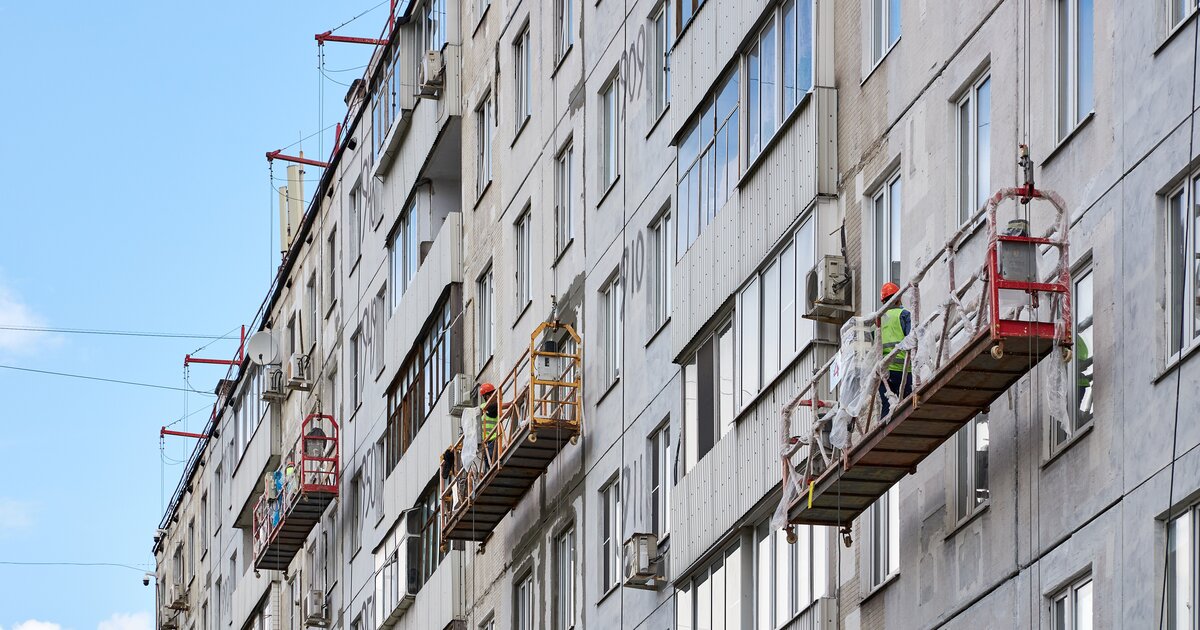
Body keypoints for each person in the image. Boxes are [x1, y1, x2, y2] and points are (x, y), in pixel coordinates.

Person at [878, 282, 913, 417]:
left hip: (884, 371)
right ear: (898, 298)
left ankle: (884, 435)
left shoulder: (878, 319)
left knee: (887, 406)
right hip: (903, 369)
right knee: (907, 407)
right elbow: (912, 339)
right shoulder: (904, 314)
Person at [479, 382, 500, 467]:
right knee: (492, 463)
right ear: (488, 396)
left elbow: (506, 413)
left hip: (493, 441)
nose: (497, 396)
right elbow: (502, 406)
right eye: (494, 394)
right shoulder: (484, 406)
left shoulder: (493, 410)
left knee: (491, 464)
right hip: (490, 441)